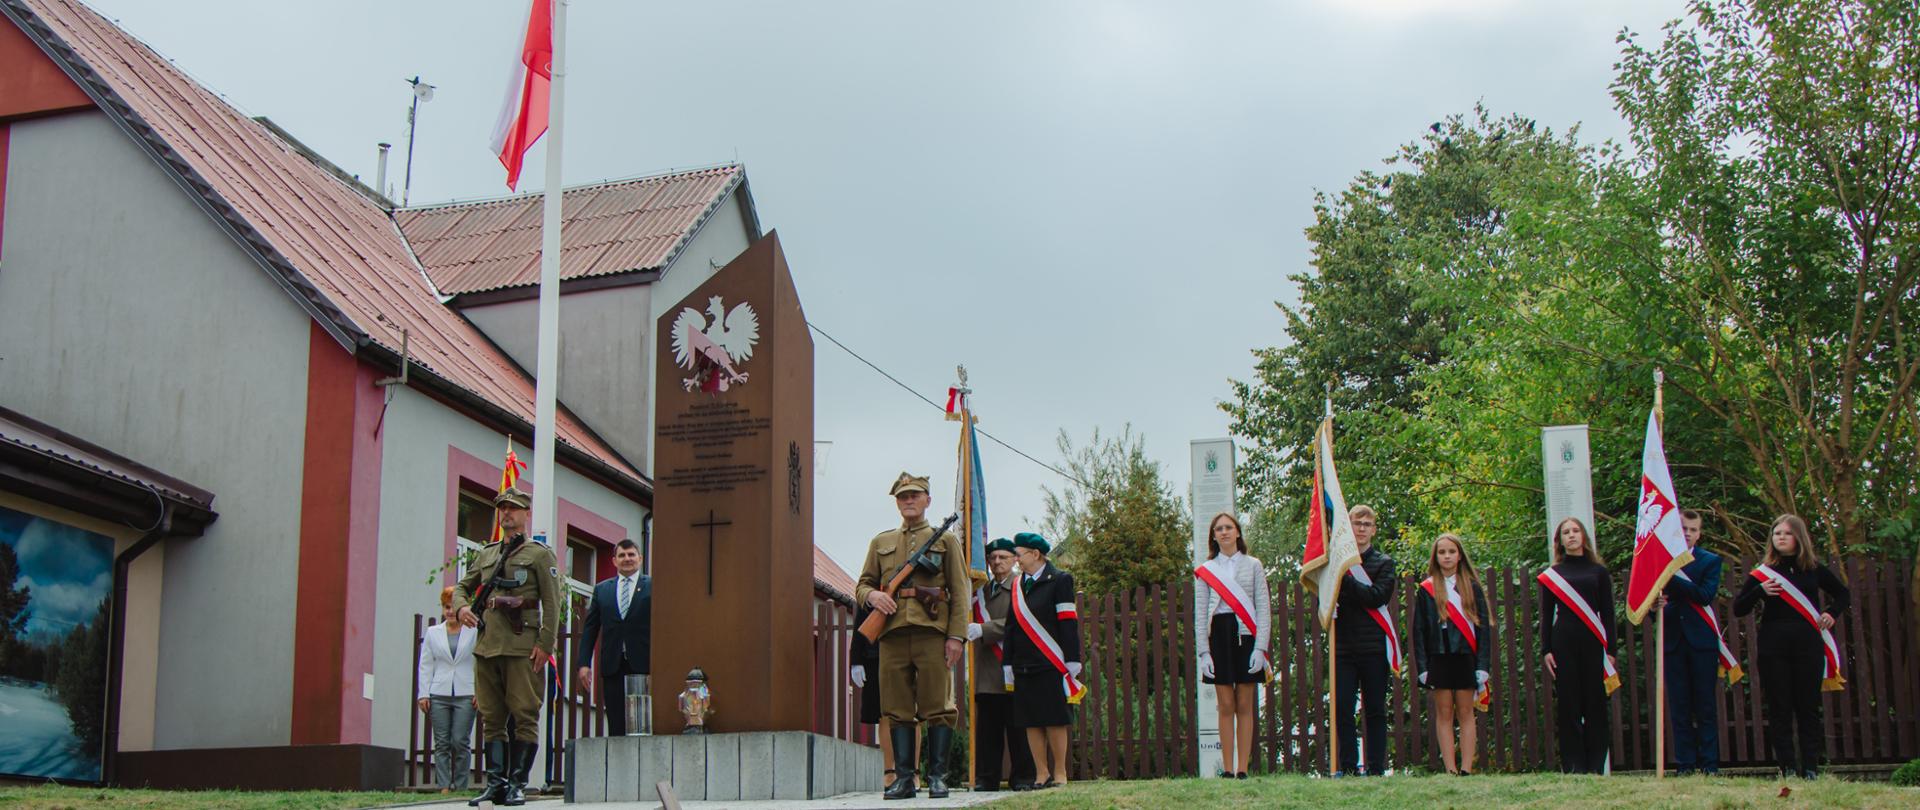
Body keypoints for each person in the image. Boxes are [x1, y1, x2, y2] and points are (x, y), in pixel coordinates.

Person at [855, 472, 971, 800]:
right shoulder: (881, 542)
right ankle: (904, 778)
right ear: (896, 502)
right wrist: (873, 597)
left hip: (932, 633)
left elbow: (960, 593)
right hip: (891, 634)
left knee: (938, 706)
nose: (908, 501)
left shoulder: (945, 540)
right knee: (896, 708)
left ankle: (937, 777)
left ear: (927, 500)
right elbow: (862, 583)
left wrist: (956, 637)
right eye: (902, 497)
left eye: (915, 495)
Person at [452, 487, 561, 807]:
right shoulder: (487, 554)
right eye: (502, 508)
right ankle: (496, 783)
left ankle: (517, 783)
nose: (506, 514)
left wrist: (545, 643)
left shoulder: (540, 554)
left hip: (521, 646)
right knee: (492, 716)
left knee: (525, 713)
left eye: (513, 508)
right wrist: (461, 608)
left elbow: (552, 603)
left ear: (526, 514)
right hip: (487, 646)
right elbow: (462, 586)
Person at [1734, 514, 1850, 779]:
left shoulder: (1813, 569)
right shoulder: (1762, 573)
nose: (1781, 538)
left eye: (1786, 533)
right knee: (1779, 707)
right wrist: (1759, 591)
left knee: (1808, 707)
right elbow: (1739, 608)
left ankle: (1810, 767)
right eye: (1776, 534)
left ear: (1799, 537)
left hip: (1807, 644)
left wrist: (1832, 612)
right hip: (1773, 645)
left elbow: (1843, 593)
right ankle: (1786, 767)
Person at [1193, 512, 1271, 779]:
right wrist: (1204, 651)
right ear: (1213, 536)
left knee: (1245, 702)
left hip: (1246, 634)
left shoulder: (1253, 565)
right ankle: (1226, 768)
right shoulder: (1207, 570)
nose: (1224, 532)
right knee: (1225, 703)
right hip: (1219, 635)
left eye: (1228, 527)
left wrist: (1260, 647)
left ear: (1237, 532)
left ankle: (1242, 769)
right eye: (1219, 529)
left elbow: (1263, 608)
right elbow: (1201, 613)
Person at [1538, 517, 1617, 774]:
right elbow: (1546, 614)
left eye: (1575, 531)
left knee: (1595, 704)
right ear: (1560, 540)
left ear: (1583, 536)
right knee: (1569, 704)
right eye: (1566, 532)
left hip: (1594, 643)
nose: (1571, 535)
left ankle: (1596, 766)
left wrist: (1612, 650)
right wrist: (1546, 650)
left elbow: (1608, 613)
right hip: (1564, 642)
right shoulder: (1553, 575)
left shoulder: (1599, 572)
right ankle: (1574, 767)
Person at [1004, 532, 1082, 789]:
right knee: (1031, 720)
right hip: (1024, 663)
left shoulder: (1059, 580)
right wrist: (1008, 663)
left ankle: (1059, 773)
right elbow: (1011, 627)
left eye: (1019, 554)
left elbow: (1068, 620)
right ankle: (1041, 773)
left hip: (1051, 661)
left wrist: (1072, 659)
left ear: (1035, 554)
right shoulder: (1017, 585)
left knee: (1054, 718)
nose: (1016, 560)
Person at [1412, 533, 1491, 776]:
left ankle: (1467, 767)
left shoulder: (1472, 587)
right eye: (1442, 552)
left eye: (1451, 552)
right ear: (1435, 557)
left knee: (1466, 712)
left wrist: (1482, 665)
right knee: (1444, 713)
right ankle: (1450, 768)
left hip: (1465, 656)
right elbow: (1419, 630)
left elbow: (1483, 629)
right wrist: (1423, 667)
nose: (1447, 556)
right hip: (1439, 658)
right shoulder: (1426, 589)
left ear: (1459, 556)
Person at [1657, 509, 1725, 775]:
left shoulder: (1710, 560)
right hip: (1673, 640)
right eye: (1683, 528)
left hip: (1702, 642)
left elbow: (1704, 595)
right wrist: (1656, 605)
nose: (1687, 533)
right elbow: (1657, 600)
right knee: (1679, 707)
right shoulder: (1662, 559)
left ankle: (1709, 765)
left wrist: (1669, 576)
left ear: (1700, 533)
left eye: (1693, 529)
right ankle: (1685, 765)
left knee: (1705, 706)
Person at [967, 537, 1036, 791]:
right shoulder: (980, 593)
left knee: (1019, 730)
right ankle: (987, 778)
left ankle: (1024, 777)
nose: (997, 562)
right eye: (993, 558)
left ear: (1015, 560)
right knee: (988, 732)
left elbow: (1018, 621)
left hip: (1014, 668)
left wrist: (984, 628)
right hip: (987, 670)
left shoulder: (1023, 587)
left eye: (1003, 557)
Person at [1333, 505, 1396, 776]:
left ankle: (1376, 768)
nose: (1361, 528)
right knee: (1343, 709)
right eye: (1357, 523)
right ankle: (1347, 767)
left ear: (1374, 530)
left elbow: (1376, 597)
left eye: (1367, 524)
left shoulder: (1384, 563)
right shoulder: (1338, 562)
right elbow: (1326, 598)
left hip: (1373, 647)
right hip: (1343, 647)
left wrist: (1346, 583)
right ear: (1349, 526)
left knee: (1374, 710)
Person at [574, 539, 650, 735]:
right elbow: (590, 628)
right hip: (612, 665)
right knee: (616, 722)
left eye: (631, 555)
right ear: (614, 561)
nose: (627, 559)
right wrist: (584, 664)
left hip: (644, 664)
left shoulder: (653, 586)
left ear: (640, 559)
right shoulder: (602, 589)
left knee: (641, 721)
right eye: (622, 555)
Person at [849, 604, 917, 791]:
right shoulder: (873, 586)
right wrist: (856, 659)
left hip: (910, 649)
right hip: (876, 654)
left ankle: (914, 773)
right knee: (883, 713)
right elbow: (861, 622)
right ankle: (889, 772)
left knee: (914, 714)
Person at [418, 587, 478, 793]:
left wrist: (480, 691)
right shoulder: (433, 633)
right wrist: (423, 693)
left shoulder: (474, 631)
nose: (450, 611)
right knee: (442, 741)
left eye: (453, 607)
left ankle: (460, 785)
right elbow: (426, 664)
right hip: (439, 693)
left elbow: (481, 662)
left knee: (460, 740)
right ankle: (443, 785)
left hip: (466, 692)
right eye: (446, 607)